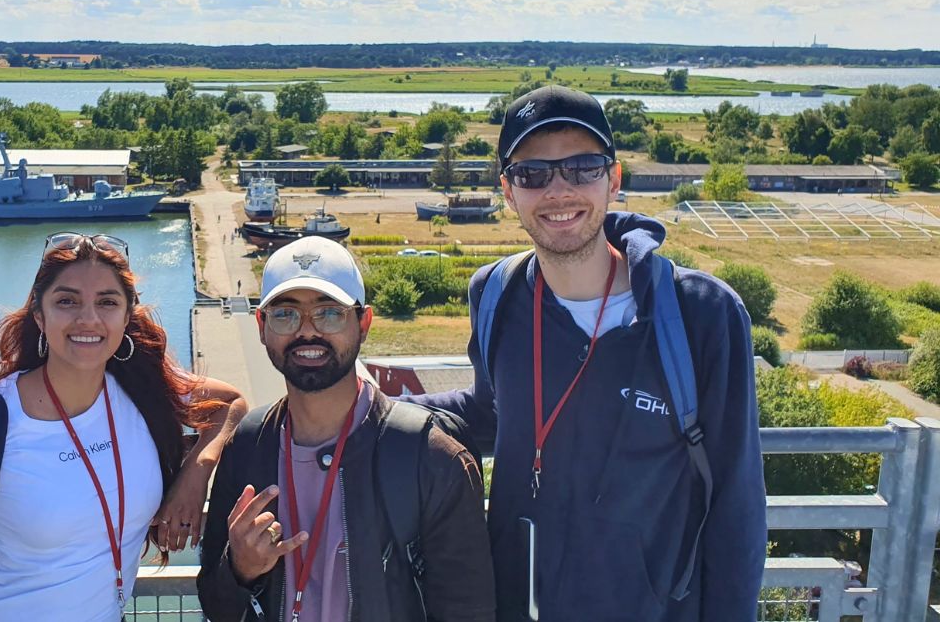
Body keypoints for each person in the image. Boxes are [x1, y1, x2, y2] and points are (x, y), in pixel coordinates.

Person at [406, 85, 766, 621]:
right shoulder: (496, 295)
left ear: (613, 179)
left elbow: (737, 507)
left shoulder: (701, 315)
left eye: (582, 168)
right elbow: (491, 412)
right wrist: (372, 410)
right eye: (533, 174)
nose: (559, 190)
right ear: (508, 190)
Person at [0, 232, 247, 622]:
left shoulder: (142, 392)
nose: (88, 319)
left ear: (127, 316)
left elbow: (230, 404)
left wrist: (194, 476)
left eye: (107, 302)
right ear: (39, 315)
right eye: (67, 301)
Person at [197, 236, 495, 621]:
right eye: (285, 314)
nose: (307, 331)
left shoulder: (432, 458)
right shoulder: (248, 448)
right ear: (261, 325)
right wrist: (239, 570)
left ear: (364, 323)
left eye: (330, 313)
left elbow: (469, 610)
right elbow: (215, 605)